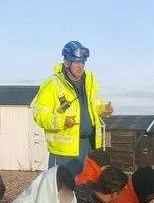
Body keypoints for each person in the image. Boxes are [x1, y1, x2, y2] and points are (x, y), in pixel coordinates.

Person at [32, 41, 113, 176]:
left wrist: (104, 109)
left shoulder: (90, 80)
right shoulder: (52, 84)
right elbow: (39, 115)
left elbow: (96, 103)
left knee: (84, 188)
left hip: (88, 146)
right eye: (76, 62)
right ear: (66, 62)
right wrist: (62, 121)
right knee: (60, 190)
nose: (80, 66)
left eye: (83, 62)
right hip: (64, 152)